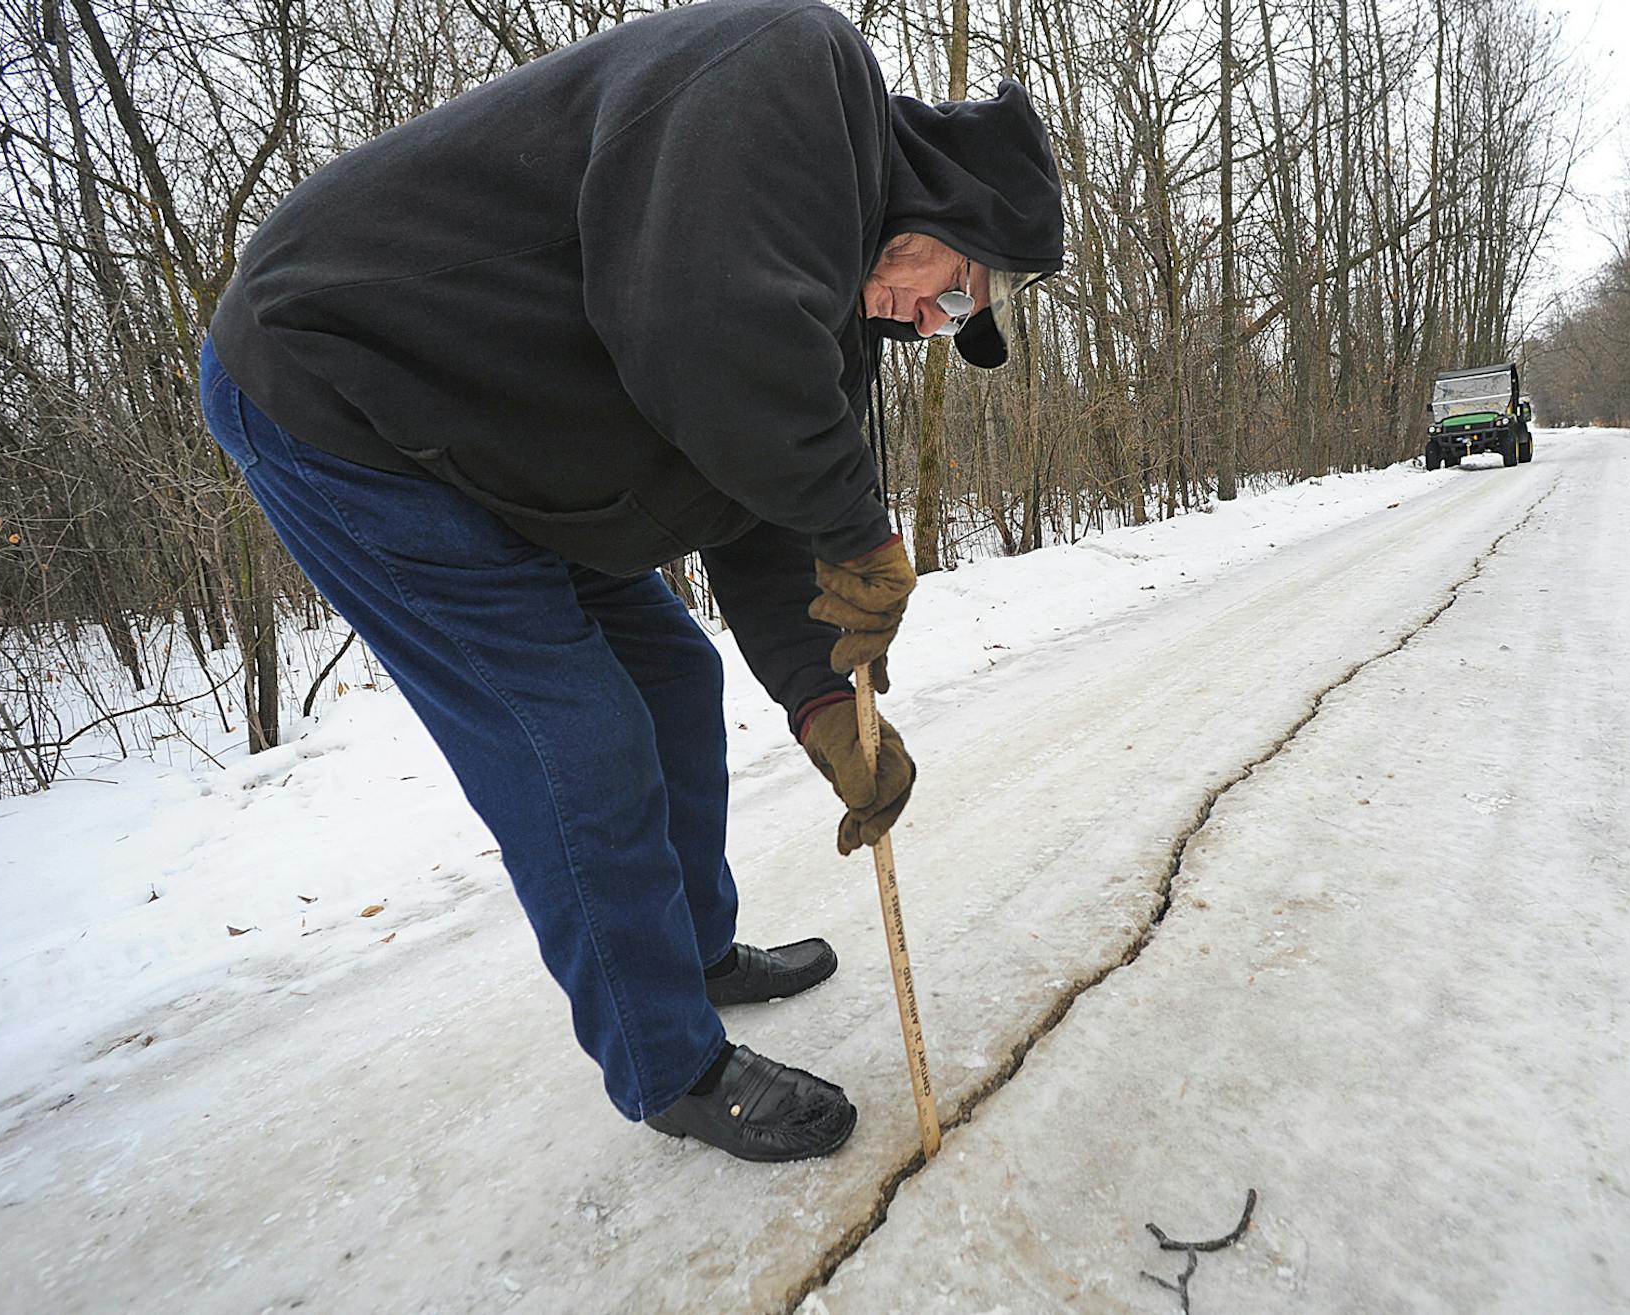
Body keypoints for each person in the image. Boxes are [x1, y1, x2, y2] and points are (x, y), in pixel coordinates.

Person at [197, 0, 1065, 1163]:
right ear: (944, 206)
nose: (936, 320)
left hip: (490, 443)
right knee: (577, 731)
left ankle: (694, 954)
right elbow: (706, 343)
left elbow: (764, 507)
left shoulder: (824, 302)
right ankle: (672, 1063)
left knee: (667, 669)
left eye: (959, 322)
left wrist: (823, 699)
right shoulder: (796, 75)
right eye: (958, 291)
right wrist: (861, 527)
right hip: (342, 392)